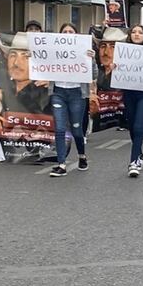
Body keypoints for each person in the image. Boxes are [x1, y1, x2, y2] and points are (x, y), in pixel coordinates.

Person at [47, 23, 97, 176]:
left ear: (76, 35)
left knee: (76, 129)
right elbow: (40, 65)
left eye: (71, 31)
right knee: (60, 128)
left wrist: (92, 60)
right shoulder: (52, 51)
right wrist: (34, 57)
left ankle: (82, 155)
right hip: (58, 93)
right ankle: (61, 164)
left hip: (77, 93)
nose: (68, 33)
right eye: (65, 31)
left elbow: (94, 75)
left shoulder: (84, 52)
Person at [118, 24, 143, 177]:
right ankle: (139, 154)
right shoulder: (122, 52)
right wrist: (114, 67)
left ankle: (133, 163)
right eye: (134, 32)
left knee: (139, 126)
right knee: (132, 126)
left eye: (140, 32)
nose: (137, 34)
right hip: (129, 92)